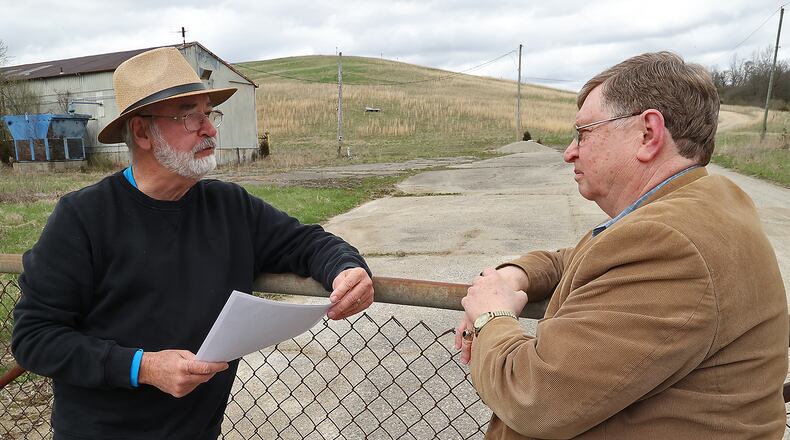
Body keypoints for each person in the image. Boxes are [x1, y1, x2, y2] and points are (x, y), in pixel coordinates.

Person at [11, 47, 374, 440]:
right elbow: (34, 337)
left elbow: (306, 242)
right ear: (141, 132)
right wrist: (143, 367)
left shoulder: (229, 207)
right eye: (189, 115)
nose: (210, 129)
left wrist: (346, 269)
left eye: (209, 112)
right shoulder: (83, 218)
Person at [455, 51, 788, 439]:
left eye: (584, 132)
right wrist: (513, 276)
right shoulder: (694, 206)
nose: (569, 152)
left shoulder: (669, 242)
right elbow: (576, 259)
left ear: (648, 133)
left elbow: (534, 396)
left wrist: (490, 317)